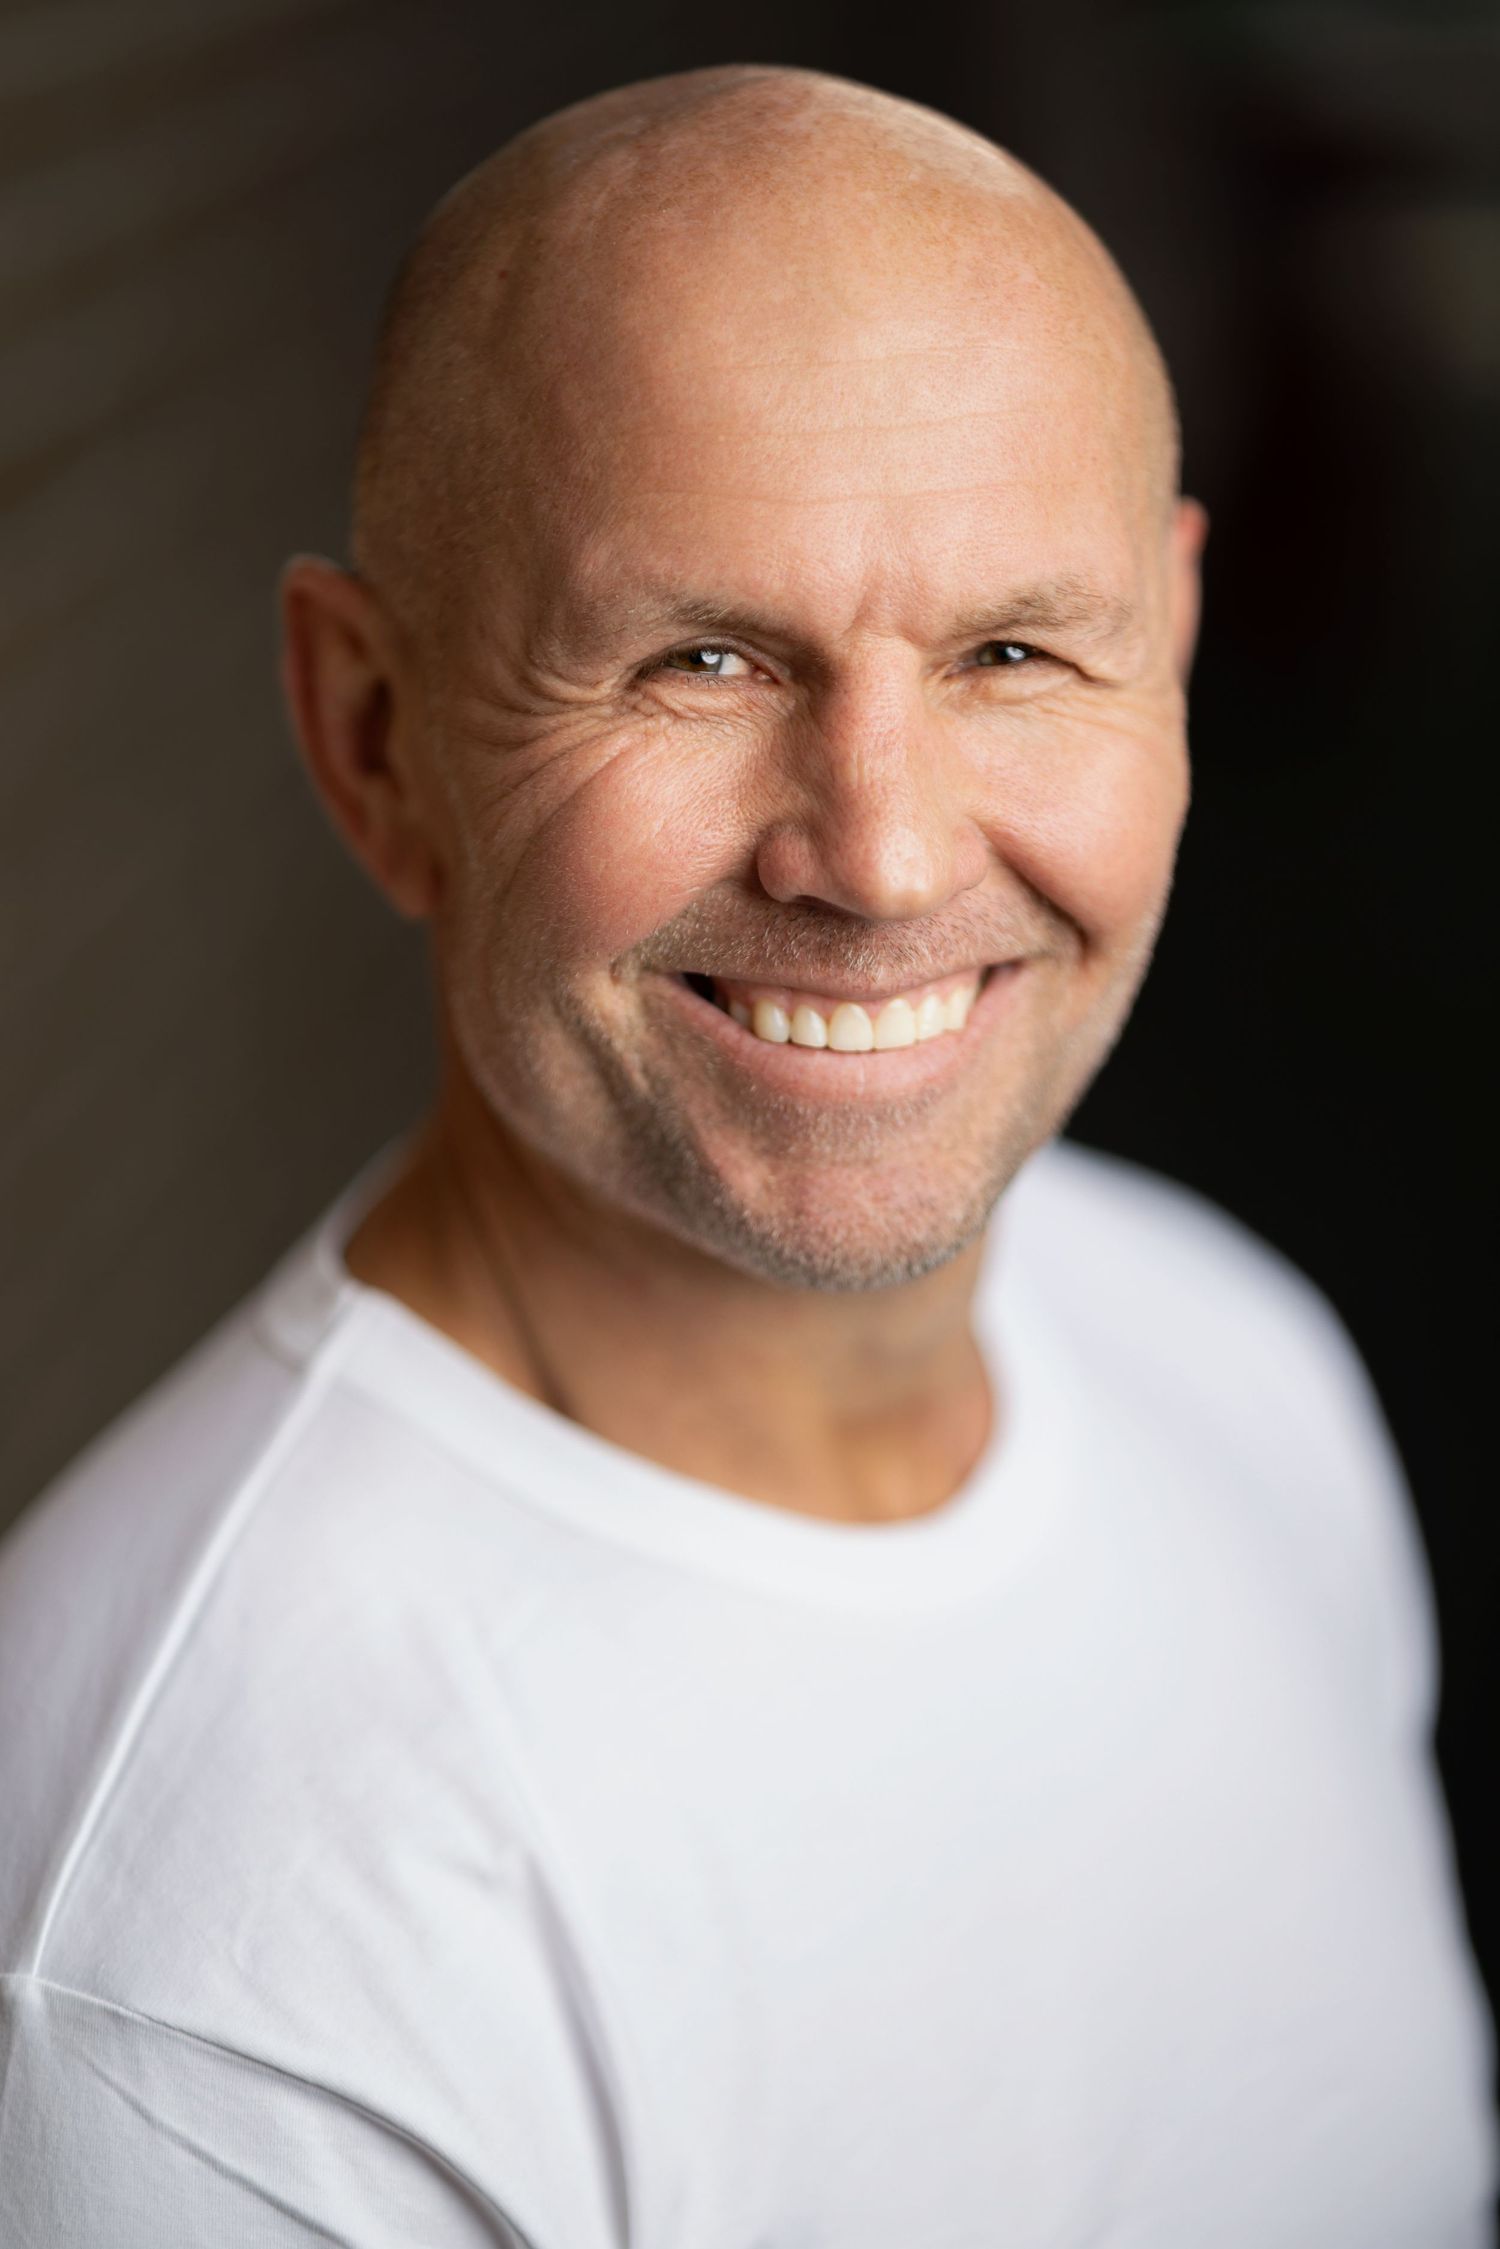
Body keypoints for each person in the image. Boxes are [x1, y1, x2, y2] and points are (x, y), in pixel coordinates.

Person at [0, 62, 1493, 2248]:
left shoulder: (1229, 1352)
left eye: (1012, 652)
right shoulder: (195, 1969)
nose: (881, 854)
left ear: (1167, 646)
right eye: (698, 659)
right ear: (375, 735)